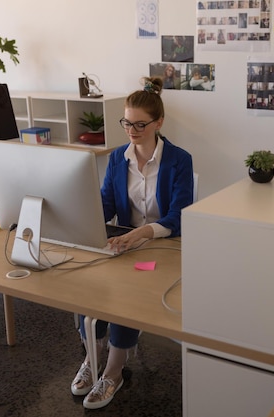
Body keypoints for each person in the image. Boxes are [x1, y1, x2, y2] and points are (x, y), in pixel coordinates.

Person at [70, 76, 194, 410]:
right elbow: (106, 205)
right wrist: (81, 215)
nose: (132, 130)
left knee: (124, 293)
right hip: (122, 240)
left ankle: (113, 370)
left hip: (162, 245)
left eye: (140, 124)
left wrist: (140, 233)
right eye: (127, 122)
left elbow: (178, 216)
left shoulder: (179, 160)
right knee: (86, 284)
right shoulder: (117, 159)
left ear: (159, 123)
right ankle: (92, 359)